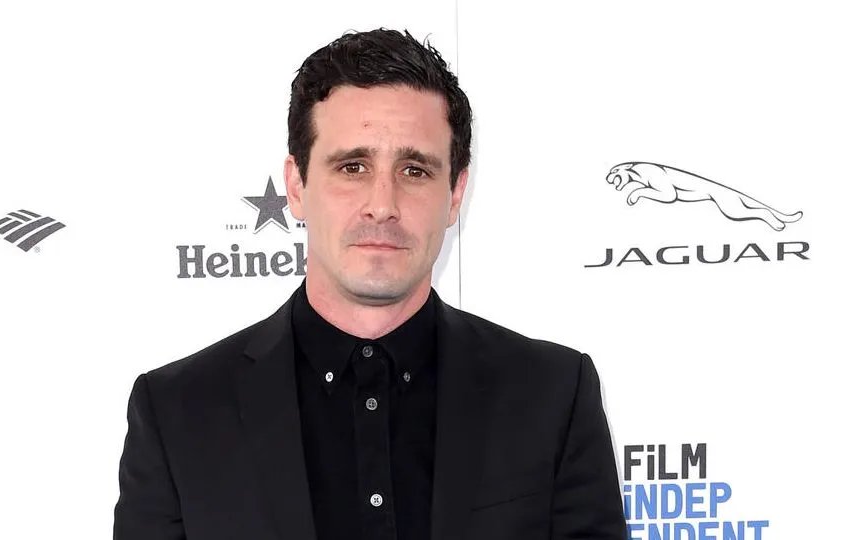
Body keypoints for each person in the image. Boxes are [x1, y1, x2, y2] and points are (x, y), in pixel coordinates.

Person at [113, 28, 625, 540]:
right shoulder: (178, 412)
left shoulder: (552, 396)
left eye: (414, 170)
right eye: (352, 167)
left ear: (455, 194)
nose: (382, 205)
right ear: (296, 186)